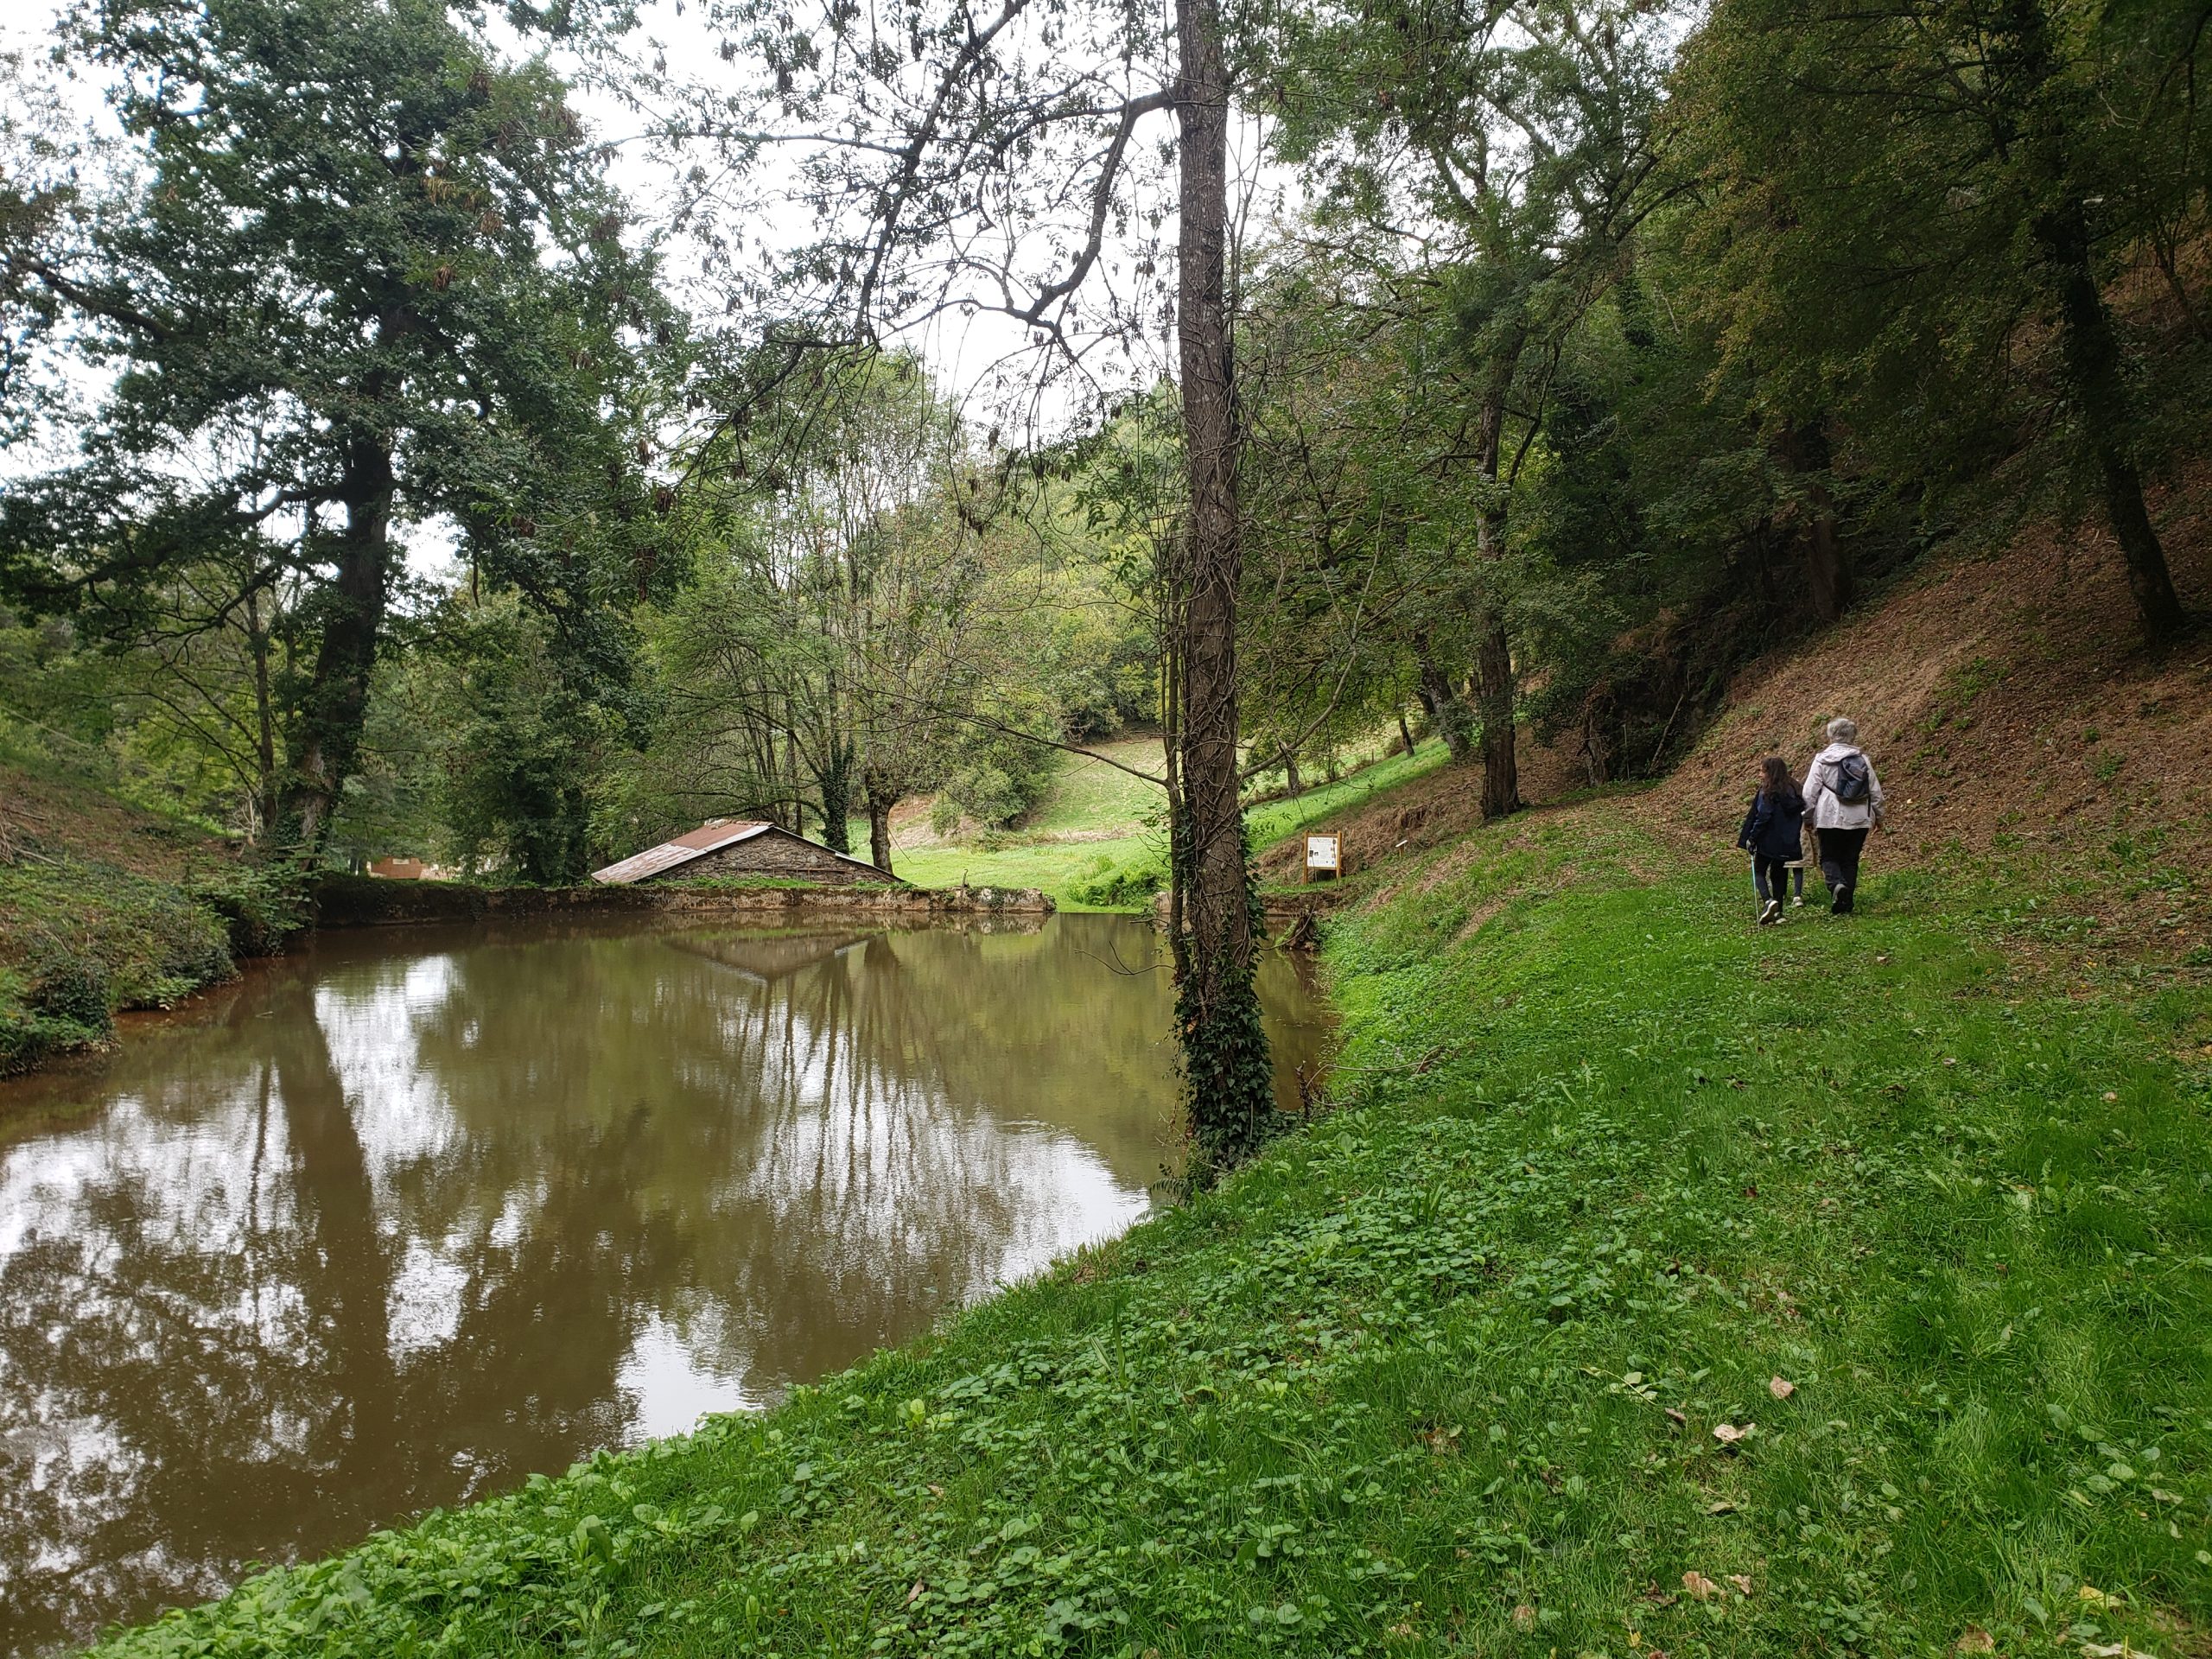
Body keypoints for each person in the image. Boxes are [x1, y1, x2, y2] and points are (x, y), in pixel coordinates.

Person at [1801, 716, 1885, 914]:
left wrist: (1807, 818)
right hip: (1859, 817)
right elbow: (1875, 792)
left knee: (1828, 856)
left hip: (1828, 817)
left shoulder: (1822, 760)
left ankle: (1837, 886)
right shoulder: (1863, 760)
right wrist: (1879, 817)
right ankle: (1846, 901)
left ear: (1830, 736)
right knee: (1850, 859)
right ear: (1852, 736)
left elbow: (1809, 793)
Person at [1735, 755, 1807, 925]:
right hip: (1788, 841)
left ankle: (1768, 901)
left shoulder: (1767, 792)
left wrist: (1752, 837)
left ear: (1770, 773)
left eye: (1762, 771)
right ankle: (1779, 913)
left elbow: (1763, 816)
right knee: (1779, 874)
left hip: (1769, 840)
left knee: (1758, 871)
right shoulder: (1794, 789)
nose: (1760, 775)